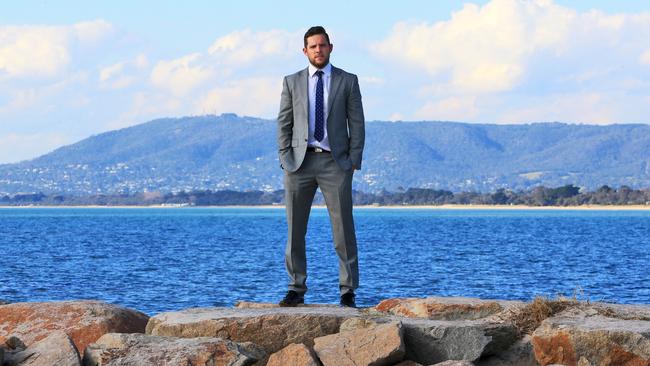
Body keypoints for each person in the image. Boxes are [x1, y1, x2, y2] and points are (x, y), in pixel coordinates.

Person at [276, 26, 365, 308]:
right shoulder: (291, 82)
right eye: (313, 46)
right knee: (295, 230)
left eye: (322, 45)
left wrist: (353, 160)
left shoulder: (347, 81)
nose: (318, 50)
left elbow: (357, 123)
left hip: (335, 163)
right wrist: (284, 157)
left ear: (330, 47)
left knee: (343, 230)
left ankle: (347, 290)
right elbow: (284, 122)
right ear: (305, 51)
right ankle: (295, 288)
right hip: (298, 164)